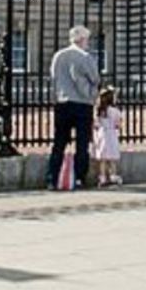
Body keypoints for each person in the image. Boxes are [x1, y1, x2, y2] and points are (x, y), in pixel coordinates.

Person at [46, 26, 101, 190]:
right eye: (87, 39)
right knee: (82, 144)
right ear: (82, 39)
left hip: (62, 103)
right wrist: (92, 95)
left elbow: (54, 79)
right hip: (82, 103)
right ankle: (79, 178)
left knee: (59, 142)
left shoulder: (58, 56)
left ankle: (52, 178)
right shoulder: (85, 57)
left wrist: (55, 98)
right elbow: (95, 78)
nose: (88, 43)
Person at [92, 86, 123, 187]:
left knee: (103, 159)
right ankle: (113, 175)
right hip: (112, 134)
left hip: (102, 134)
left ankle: (102, 177)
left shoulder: (98, 111)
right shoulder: (115, 111)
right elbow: (118, 124)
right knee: (112, 158)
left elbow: (95, 125)